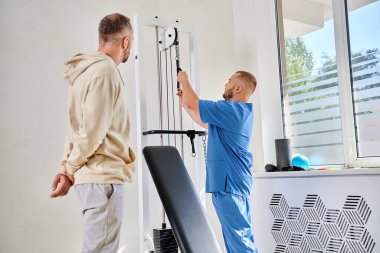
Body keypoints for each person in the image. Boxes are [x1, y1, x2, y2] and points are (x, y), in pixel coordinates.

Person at [50, 13, 136, 253]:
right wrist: (68, 169)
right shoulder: (105, 71)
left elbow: (76, 130)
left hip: (92, 180)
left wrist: (67, 170)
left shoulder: (84, 73)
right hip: (103, 178)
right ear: (126, 42)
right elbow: (91, 132)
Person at [177, 70, 258, 253]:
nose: (226, 84)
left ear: (237, 88)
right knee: (235, 238)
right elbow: (205, 122)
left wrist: (184, 80)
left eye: (229, 81)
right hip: (228, 184)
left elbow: (194, 103)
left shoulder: (232, 109)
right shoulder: (236, 113)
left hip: (230, 184)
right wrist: (186, 105)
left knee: (240, 239)